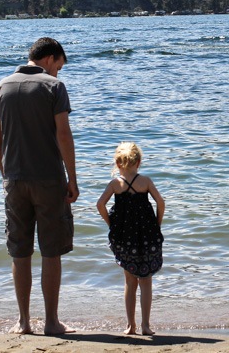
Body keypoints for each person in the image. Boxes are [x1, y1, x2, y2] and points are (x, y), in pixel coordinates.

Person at [0, 37, 79, 335]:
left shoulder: (2, 86)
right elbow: (64, 136)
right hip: (49, 180)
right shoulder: (53, 87)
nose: (58, 73)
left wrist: (7, 174)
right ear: (50, 59)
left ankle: (24, 322)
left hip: (14, 181)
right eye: (59, 67)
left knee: (20, 251)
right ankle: (52, 322)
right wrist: (72, 179)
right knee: (50, 252)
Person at [97, 142, 165, 336]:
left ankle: (130, 326)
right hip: (147, 236)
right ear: (139, 162)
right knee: (146, 281)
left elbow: (100, 204)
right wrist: (157, 224)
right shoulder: (145, 181)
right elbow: (160, 202)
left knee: (129, 281)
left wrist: (111, 224)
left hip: (124, 237)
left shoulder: (115, 184)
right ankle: (146, 325)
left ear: (117, 163)